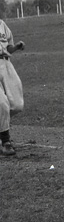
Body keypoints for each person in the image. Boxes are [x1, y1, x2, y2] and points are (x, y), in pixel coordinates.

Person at [0, 18, 25, 156]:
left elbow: (8, 46)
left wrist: (16, 47)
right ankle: (5, 142)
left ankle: (2, 128)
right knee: (2, 104)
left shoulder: (2, 24)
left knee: (16, 105)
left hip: (6, 64)